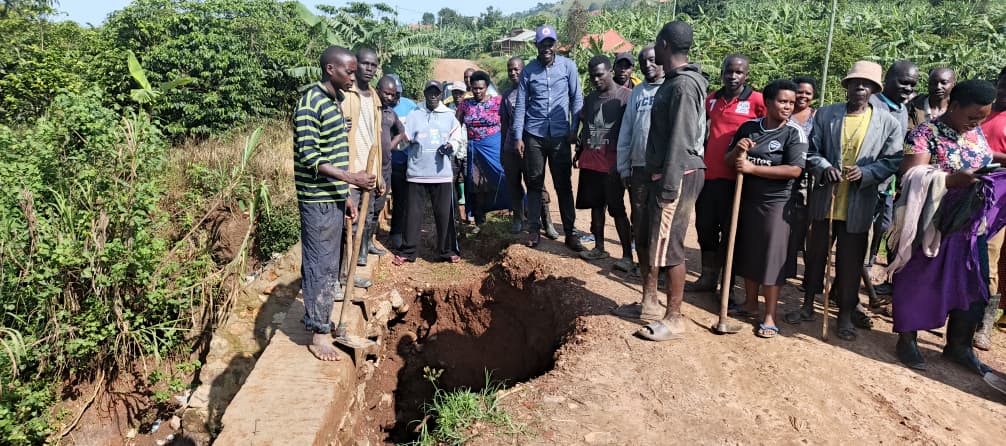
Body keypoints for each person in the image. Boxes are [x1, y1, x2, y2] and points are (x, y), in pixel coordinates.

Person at [892, 79, 1004, 372]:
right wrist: (951, 181)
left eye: (982, 117)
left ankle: (959, 346)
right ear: (953, 107)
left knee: (972, 286)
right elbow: (911, 174)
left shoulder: (973, 131)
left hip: (969, 226)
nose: (977, 123)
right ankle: (907, 340)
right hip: (932, 223)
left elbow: (981, 155)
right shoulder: (924, 133)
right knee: (919, 281)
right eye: (972, 117)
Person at [787, 61, 902, 341]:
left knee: (851, 265)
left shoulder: (887, 122)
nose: (860, 88)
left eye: (867, 84)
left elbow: (894, 160)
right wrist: (824, 166)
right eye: (855, 83)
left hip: (859, 205)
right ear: (847, 86)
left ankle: (845, 315)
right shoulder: (827, 114)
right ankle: (807, 305)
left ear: (875, 90)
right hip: (826, 199)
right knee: (815, 257)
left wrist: (867, 172)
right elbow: (811, 150)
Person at [294, 46, 376, 361]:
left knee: (328, 262)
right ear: (331, 69)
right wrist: (351, 179)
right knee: (320, 264)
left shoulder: (337, 101)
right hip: (316, 200)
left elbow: (335, 151)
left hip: (333, 197)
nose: (353, 77)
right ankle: (319, 333)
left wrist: (344, 196)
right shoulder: (310, 103)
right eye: (349, 71)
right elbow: (311, 156)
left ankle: (316, 318)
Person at [634, 21, 708, 341]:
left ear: (664, 44)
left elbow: (680, 138)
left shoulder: (682, 86)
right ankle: (653, 307)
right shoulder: (676, 82)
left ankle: (674, 317)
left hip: (677, 173)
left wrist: (668, 185)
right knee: (658, 241)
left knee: (670, 245)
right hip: (671, 171)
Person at [726, 79, 808, 338]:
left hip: (778, 203)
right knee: (749, 252)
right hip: (747, 199)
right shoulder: (749, 128)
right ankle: (750, 303)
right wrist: (739, 150)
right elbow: (730, 161)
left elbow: (794, 170)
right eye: (783, 101)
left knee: (772, 259)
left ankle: (770, 315)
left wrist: (753, 168)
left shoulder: (794, 133)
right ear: (768, 102)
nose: (788, 107)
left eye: (792, 103)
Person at [688, 54, 766, 296]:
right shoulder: (712, 100)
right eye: (729, 71)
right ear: (722, 72)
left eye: (739, 72)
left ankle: (728, 284)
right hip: (709, 177)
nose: (733, 76)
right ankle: (708, 276)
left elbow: (770, 127)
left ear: (747, 75)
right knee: (705, 227)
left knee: (731, 232)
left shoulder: (757, 100)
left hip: (738, 179)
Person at [513, 24, 586, 251]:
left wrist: (575, 128)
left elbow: (577, 99)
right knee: (534, 183)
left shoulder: (568, 67)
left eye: (550, 43)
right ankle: (534, 231)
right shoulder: (529, 71)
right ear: (536, 45)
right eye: (543, 44)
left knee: (563, 184)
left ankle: (571, 233)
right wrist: (518, 136)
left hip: (560, 136)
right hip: (533, 135)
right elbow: (521, 105)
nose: (547, 47)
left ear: (555, 45)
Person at [611, 45, 665, 320]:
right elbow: (627, 131)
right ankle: (648, 295)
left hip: (665, 172)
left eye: (653, 60)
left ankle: (662, 298)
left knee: (662, 233)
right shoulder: (638, 93)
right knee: (641, 231)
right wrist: (624, 167)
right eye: (643, 61)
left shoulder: (672, 89)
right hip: (639, 170)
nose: (648, 65)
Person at [863, 61, 919, 301]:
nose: (907, 88)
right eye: (903, 82)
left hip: (888, 186)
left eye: (912, 85)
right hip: (866, 182)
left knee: (882, 230)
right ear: (887, 79)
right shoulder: (872, 104)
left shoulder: (902, 109)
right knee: (860, 236)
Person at [393, 80, 464, 265]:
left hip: (442, 174)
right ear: (424, 93)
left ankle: (447, 250)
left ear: (441, 94)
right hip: (417, 172)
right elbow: (404, 140)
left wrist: (451, 146)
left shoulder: (449, 115)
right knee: (413, 214)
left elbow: (457, 138)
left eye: (437, 92)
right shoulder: (414, 114)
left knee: (444, 214)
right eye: (430, 92)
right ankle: (408, 251)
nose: (433, 96)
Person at [574, 55, 632, 266]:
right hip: (591, 163)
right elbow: (582, 126)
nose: (596, 80)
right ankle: (599, 247)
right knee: (595, 208)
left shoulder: (626, 98)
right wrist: (579, 151)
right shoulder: (590, 99)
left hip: (613, 165)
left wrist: (625, 164)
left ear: (610, 72)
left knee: (617, 210)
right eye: (592, 77)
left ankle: (627, 256)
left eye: (600, 75)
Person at [500, 56, 560, 239]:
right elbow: (505, 123)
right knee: (514, 185)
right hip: (511, 148)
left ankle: (547, 222)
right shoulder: (507, 95)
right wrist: (503, 149)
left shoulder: (534, 92)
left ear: (524, 70)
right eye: (510, 69)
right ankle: (518, 218)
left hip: (532, 147)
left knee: (537, 184)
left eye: (517, 69)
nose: (513, 73)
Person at [340, 47, 384, 288]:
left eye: (373, 65)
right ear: (356, 64)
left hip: (369, 170)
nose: (369, 68)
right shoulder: (345, 94)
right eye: (365, 64)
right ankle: (341, 277)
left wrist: (378, 175)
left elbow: (375, 136)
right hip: (351, 170)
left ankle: (349, 274)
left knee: (363, 224)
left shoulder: (374, 97)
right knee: (349, 226)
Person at [974, 67, 1006, 350]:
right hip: (966, 190)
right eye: (1003, 86)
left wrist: (990, 157)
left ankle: (983, 324)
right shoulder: (980, 111)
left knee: (989, 258)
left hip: (998, 200)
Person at [456, 71, 508, 229]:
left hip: (494, 148)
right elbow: (455, 126)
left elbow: (509, 122)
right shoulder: (465, 105)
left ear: (487, 87)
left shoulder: (498, 102)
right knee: (476, 185)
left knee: (502, 178)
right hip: (474, 150)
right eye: (474, 88)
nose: (477, 91)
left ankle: (519, 213)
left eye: (481, 88)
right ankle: (480, 221)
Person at [368, 75, 405, 266]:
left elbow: (401, 132)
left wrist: (389, 146)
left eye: (393, 94)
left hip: (386, 168)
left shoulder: (390, 113)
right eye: (386, 93)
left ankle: (369, 242)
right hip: (368, 169)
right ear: (377, 89)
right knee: (365, 210)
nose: (389, 97)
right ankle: (360, 251)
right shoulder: (369, 109)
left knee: (377, 208)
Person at [787, 76, 817, 276]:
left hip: (808, 180)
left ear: (813, 97)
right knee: (785, 225)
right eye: (799, 91)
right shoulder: (784, 113)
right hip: (785, 176)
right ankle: (784, 269)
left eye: (808, 93)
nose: (803, 96)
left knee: (806, 227)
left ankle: (809, 276)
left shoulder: (817, 117)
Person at [388, 73, 416, 250]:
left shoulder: (410, 106)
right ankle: (394, 232)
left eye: (397, 93)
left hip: (408, 160)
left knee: (405, 199)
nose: (394, 97)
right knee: (388, 199)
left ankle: (402, 232)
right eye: (392, 93)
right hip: (389, 160)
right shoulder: (380, 107)